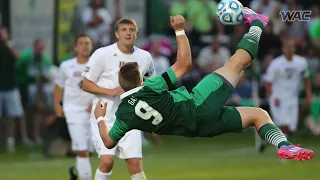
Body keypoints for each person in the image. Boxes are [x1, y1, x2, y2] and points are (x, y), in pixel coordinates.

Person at [94, 10, 314, 162]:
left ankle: (284, 145)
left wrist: (100, 117)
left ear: (122, 87)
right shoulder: (150, 87)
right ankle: (258, 22)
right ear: (140, 79)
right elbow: (184, 64)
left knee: (258, 115)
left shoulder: (123, 113)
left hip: (198, 129)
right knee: (238, 62)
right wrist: (179, 30)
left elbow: (108, 141)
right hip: (199, 103)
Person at [82, 18, 156, 180]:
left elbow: (151, 84)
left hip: (131, 117)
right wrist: (109, 91)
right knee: (107, 161)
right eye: (123, 30)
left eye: (131, 29)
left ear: (137, 33)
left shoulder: (145, 57)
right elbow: (86, 84)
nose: (128, 33)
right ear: (116, 34)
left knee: (135, 165)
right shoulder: (102, 54)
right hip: (105, 117)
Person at [257, 39, 312, 152]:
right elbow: (268, 83)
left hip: (292, 98)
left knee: (291, 129)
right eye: (287, 47)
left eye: (291, 47)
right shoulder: (276, 64)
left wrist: (308, 96)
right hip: (279, 98)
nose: (289, 49)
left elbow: (305, 79)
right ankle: (284, 152)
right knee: (285, 126)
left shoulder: (301, 62)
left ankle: (266, 140)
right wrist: (273, 96)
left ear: (294, 49)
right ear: (283, 49)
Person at [54, 34, 95, 180]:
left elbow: (104, 87)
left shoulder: (98, 65)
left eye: (88, 43)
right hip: (73, 110)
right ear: (76, 47)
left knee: (89, 151)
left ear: (92, 46)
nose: (85, 46)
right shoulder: (66, 66)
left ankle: (76, 173)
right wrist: (57, 106)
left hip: (93, 112)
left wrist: (96, 103)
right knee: (82, 150)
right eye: (82, 43)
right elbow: (58, 86)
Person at [0, 27, 31, 152]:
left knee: (13, 115)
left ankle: (10, 141)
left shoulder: (10, 48)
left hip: (11, 86)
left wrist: (8, 44)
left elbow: (18, 57)